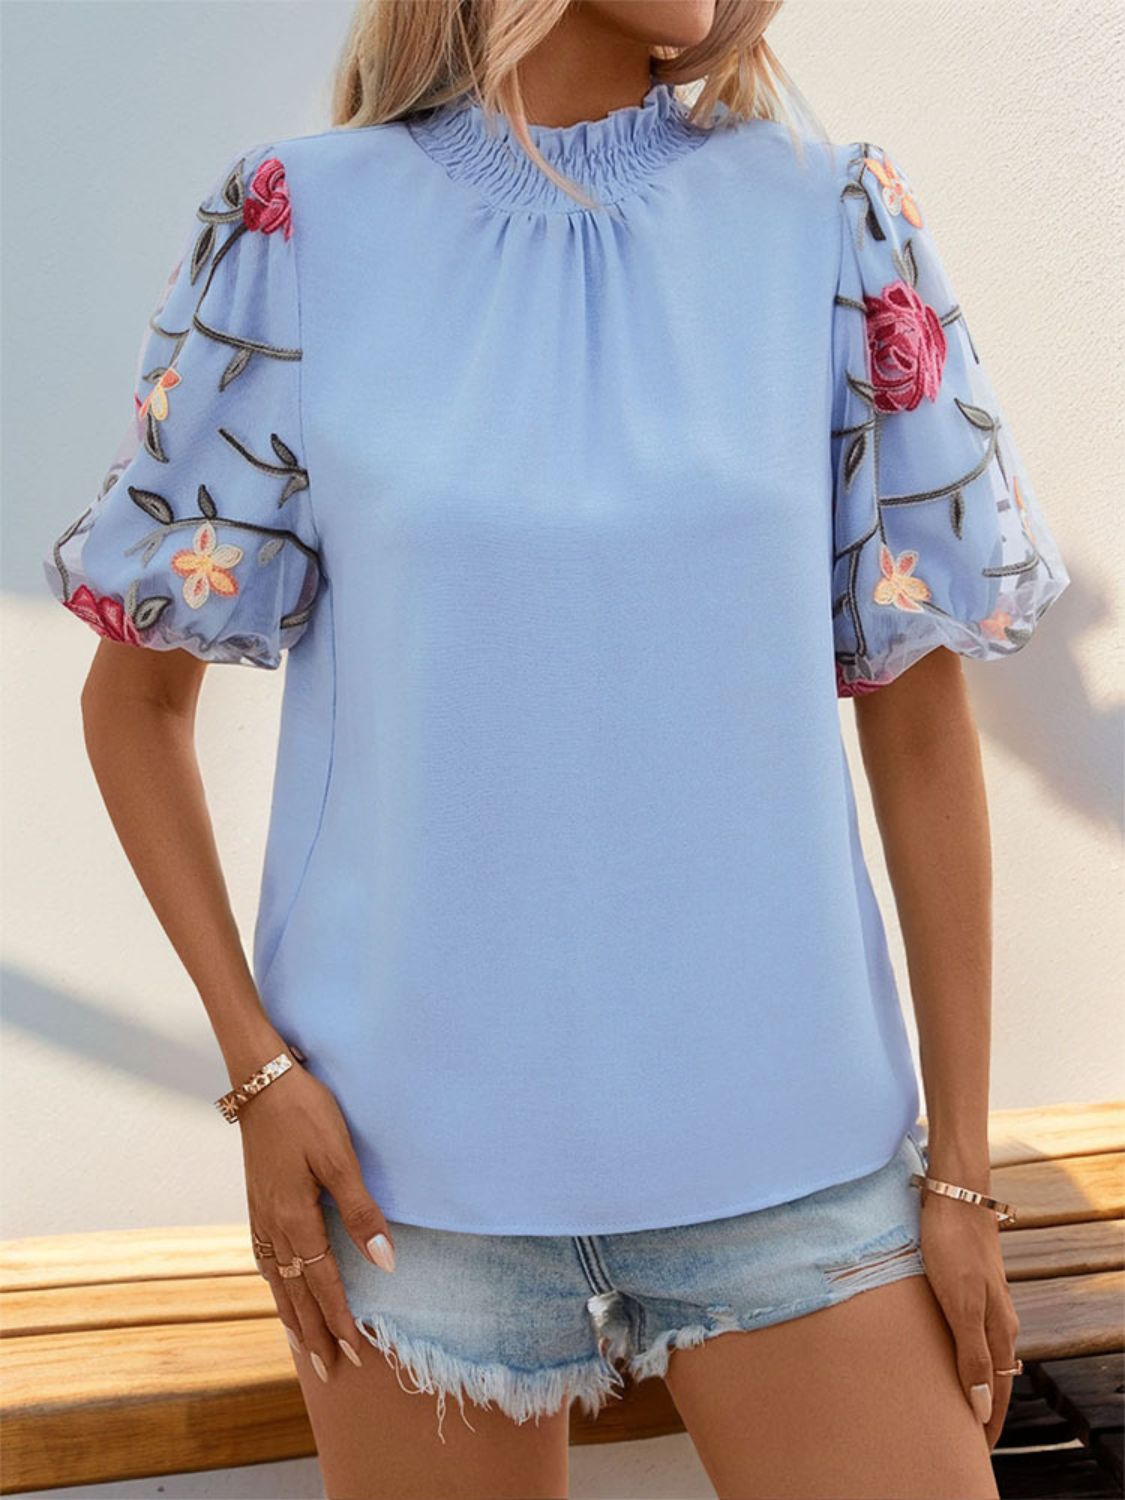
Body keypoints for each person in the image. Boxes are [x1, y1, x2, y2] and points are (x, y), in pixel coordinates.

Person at [43, 1, 1070, 1496]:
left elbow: (917, 728)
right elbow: (132, 709)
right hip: (403, 1183)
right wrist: (257, 1076)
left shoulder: (828, 219)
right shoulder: (295, 228)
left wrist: (962, 1171)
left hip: (794, 1164)